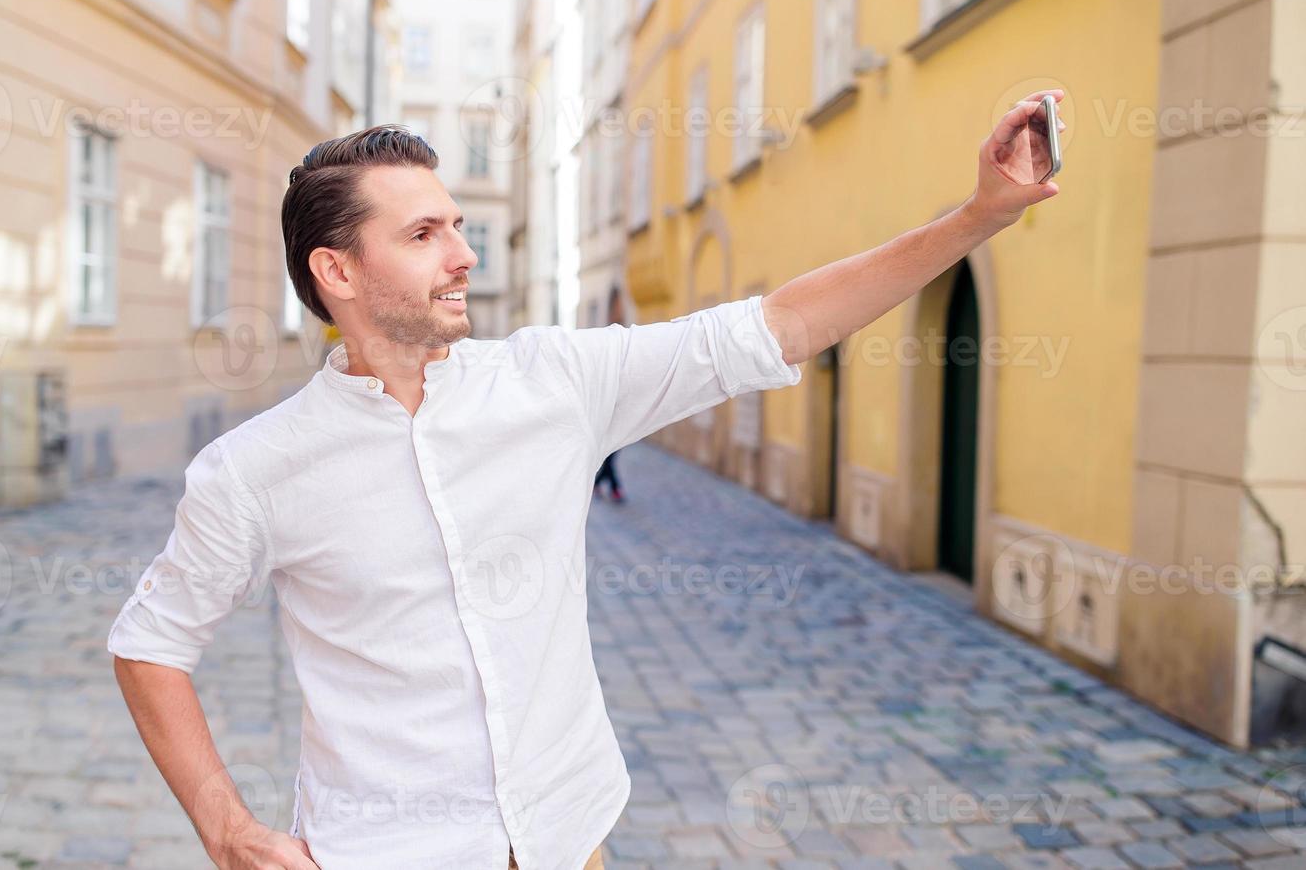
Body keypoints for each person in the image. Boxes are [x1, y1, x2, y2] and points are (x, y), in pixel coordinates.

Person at [108, 94, 1064, 869]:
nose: (464, 254)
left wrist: (980, 215)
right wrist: (226, 828)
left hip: (570, 840)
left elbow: (779, 327)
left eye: (460, 226)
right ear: (338, 271)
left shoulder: (552, 383)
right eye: (426, 234)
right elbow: (152, 644)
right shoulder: (256, 469)